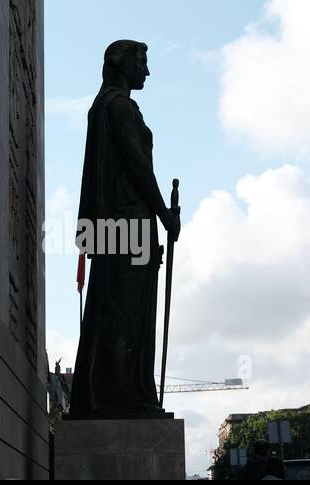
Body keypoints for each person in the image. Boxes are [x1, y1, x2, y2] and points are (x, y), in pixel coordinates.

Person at [69, 40, 182, 416]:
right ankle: (121, 396)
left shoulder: (104, 107)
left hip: (116, 226)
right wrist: (164, 213)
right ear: (122, 65)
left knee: (117, 309)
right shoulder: (118, 107)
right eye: (142, 63)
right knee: (125, 313)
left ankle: (121, 391)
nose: (146, 72)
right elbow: (137, 165)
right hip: (128, 224)